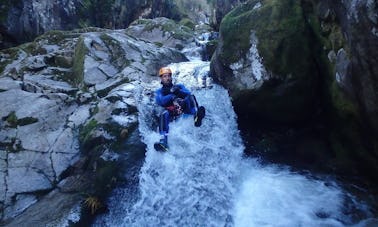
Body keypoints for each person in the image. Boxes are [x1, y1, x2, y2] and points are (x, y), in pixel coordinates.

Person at [154, 66, 206, 151]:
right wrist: (171, 94)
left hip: (184, 108)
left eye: (169, 76)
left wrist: (178, 91)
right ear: (161, 79)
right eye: (165, 76)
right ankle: (163, 141)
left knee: (190, 97)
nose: (167, 78)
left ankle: (197, 116)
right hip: (172, 113)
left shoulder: (179, 86)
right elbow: (161, 101)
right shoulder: (159, 91)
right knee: (164, 114)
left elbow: (188, 93)